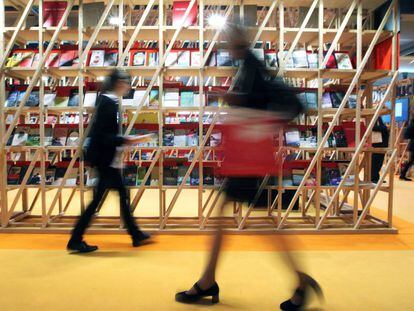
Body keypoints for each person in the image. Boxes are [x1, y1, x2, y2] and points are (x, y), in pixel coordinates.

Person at [175, 25, 323, 310]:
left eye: (228, 39)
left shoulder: (251, 66)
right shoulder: (248, 65)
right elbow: (257, 104)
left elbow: (260, 107)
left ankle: (301, 281)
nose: (225, 44)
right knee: (230, 218)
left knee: (260, 223)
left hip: (248, 158)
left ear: (239, 40)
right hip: (245, 157)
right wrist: (236, 101)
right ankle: (208, 281)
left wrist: (237, 104)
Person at [67, 69, 151, 253]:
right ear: (119, 83)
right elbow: (103, 135)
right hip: (105, 159)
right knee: (98, 200)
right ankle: (75, 239)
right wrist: (128, 140)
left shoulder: (108, 101)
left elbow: (104, 134)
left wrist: (122, 141)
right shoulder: (108, 103)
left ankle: (135, 234)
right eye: (127, 82)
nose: (129, 86)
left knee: (120, 195)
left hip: (107, 159)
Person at [371, 117, 389, 183]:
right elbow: (373, 127)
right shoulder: (375, 118)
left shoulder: (379, 118)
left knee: (379, 163)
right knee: (375, 163)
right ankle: (373, 178)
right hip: (377, 145)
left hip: (382, 145)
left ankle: (376, 178)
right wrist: (385, 128)